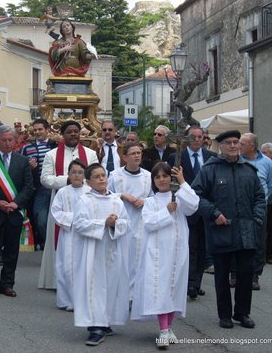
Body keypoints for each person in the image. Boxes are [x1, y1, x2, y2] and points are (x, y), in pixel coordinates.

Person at [191, 130, 266, 329]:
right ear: (220, 147)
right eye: (228, 143)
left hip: (246, 232)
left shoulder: (249, 170)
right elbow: (195, 196)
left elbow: (260, 197)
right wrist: (214, 214)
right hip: (221, 231)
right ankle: (224, 315)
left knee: (245, 274)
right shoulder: (210, 169)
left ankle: (242, 313)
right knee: (222, 277)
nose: (233, 146)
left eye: (236, 142)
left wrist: (257, 219)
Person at [131, 163, 199, 348]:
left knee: (174, 287)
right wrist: (166, 210)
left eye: (165, 176)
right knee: (160, 288)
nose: (162, 180)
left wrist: (183, 182)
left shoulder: (179, 197)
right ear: (153, 181)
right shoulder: (150, 202)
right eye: (157, 177)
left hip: (178, 250)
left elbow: (193, 206)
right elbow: (150, 223)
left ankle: (168, 327)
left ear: (171, 177)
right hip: (158, 252)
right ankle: (162, 330)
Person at [73, 163, 130, 346]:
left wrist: (115, 225)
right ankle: (95, 327)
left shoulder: (116, 200)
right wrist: (103, 223)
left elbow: (126, 223)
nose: (102, 179)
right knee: (95, 287)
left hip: (112, 250)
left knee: (111, 286)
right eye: (96, 177)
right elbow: (79, 224)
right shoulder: (84, 200)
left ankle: (105, 322)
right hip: (93, 251)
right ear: (88, 181)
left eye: (103, 175)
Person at [38, 120, 98, 290]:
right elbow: (45, 179)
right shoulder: (51, 154)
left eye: (76, 131)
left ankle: (81, 280)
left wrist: (82, 183)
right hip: (61, 201)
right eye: (69, 132)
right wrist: (68, 180)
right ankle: (57, 281)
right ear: (62, 134)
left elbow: (96, 174)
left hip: (85, 200)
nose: (73, 134)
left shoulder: (90, 153)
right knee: (60, 242)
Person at [0, 125, 34, 297]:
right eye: (4, 140)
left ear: (15, 140)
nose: (8, 143)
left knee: (11, 250)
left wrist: (16, 203)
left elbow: (28, 187)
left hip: (14, 212)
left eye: (11, 140)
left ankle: (7, 283)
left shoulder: (22, 161)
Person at [168, 125, 217, 300]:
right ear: (187, 138)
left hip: (205, 207)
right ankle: (188, 282)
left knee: (203, 248)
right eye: (193, 137)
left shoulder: (212, 157)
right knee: (190, 247)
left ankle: (196, 283)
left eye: (200, 136)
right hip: (186, 208)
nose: (197, 140)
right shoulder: (176, 157)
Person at [108, 143, 152, 298]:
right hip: (122, 220)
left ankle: (133, 294)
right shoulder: (115, 175)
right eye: (133, 153)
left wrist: (145, 202)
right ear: (125, 157)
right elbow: (107, 195)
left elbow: (154, 197)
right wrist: (122, 195)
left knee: (137, 258)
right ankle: (119, 292)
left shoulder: (148, 176)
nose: (137, 156)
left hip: (140, 221)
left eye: (139, 152)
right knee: (121, 257)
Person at [238, 133, 272, 290]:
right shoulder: (237, 160)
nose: (238, 146)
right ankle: (235, 275)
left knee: (259, 243)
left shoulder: (267, 162)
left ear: (252, 146)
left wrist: (263, 199)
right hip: (239, 207)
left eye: (242, 144)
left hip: (259, 208)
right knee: (238, 240)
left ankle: (255, 276)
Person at [51, 159, 90, 311]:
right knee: (66, 266)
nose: (76, 175)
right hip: (67, 233)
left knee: (83, 266)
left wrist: (83, 221)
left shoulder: (89, 192)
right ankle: (66, 300)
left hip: (84, 234)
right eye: (73, 172)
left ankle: (82, 300)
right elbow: (55, 212)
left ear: (84, 175)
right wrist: (73, 219)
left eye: (80, 172)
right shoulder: (62, 192)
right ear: (68, 174)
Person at [21, 119, 58, 250]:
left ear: (47, 130)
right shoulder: (27, 148)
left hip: (56, 187)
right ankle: (47, 242)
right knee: (40, 219)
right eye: (35, 130)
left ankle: (55, 245)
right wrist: (29, 167)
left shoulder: (56, 146)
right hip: (39, 188)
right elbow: (21, 167)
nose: (37, 132)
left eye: (40, 129)